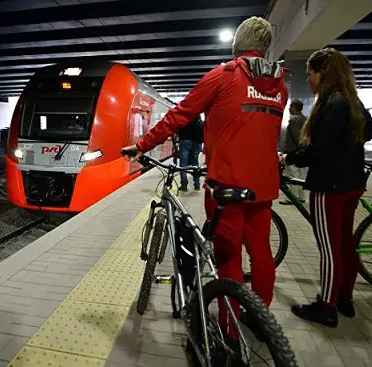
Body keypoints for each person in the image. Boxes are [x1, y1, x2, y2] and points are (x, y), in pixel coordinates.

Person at [122, 16, 288, 341]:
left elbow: (180, 114)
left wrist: (142, 146)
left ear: (237, 44)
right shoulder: (279, 86)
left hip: (227, 186)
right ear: (266, 48)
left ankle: (230, 330)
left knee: (228, 260)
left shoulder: (224, 75)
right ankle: (260, 318)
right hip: (264, 186)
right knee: (262, 253)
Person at [281, 48, 372, 328]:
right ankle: (345, 299)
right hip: (352, 183)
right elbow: (369, 129)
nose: (308, 80)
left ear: (322, 73)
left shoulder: (331, 103)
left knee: (329, 248)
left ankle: (326, 306)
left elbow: (318, 149)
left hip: (330, 187)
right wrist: (346, 144)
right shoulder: (350, 99)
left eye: (310, 74)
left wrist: (288, 158)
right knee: (346, 245)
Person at [280, 99, 307, 205]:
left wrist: (292, 153)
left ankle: (293, 198)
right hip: (303, 152)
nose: (289, 109)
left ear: (294, 108)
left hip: (293, 152)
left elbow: (297, 138)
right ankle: (301, 197)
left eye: (290, 107)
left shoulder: (293, 120)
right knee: (301, 176)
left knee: (292, 176)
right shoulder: (304, 118)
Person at [176, 116, 204, 191]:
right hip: (196, 142)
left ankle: (184, 185)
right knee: (195, 164)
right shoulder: (198, 117)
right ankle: (197, 185)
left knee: (183, 165)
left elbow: (178, 128)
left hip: (185, 141)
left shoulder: (184, 116)